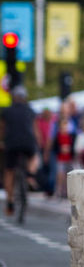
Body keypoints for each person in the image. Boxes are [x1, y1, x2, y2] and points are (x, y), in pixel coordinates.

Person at [2, 87, 38, 217]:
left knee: (9, 171)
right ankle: (30, 175)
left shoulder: (7, 111)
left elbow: (2, 129)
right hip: (28, 143)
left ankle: (10, 201)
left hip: (11, 144)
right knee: (34, 157)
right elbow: (35, 130)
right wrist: (38, 144)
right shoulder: (30, 111)